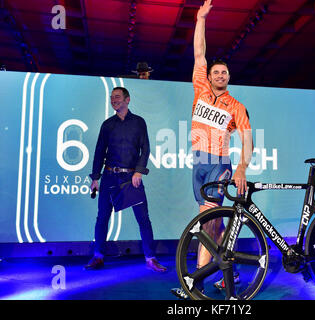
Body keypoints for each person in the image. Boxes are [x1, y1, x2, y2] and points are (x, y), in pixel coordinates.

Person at [171, 0, 253, 299]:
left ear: (228, 78)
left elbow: (247, 140)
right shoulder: (200, 89)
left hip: (219, 163)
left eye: (223, 73)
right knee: (213, 223)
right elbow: (199, 52)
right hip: (199, 163)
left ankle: (196, 282)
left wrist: (241, 166)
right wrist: (201, 18)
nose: (219, 75)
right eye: (215, 72)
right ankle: (227, 269)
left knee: (207, 223)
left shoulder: (236, 107)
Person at [85, 87, 167, 273]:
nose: (114, 100)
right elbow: (99, 151)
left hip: (131, 177)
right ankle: (98, 256)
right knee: (102, 218)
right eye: (112, 97)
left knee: (143, 219)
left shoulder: (139, 122)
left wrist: (138, 172)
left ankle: (151, 258)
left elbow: (145, 149)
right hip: (109, 176)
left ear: (127, 99)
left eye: (118, 97)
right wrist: (96, 177)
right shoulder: (107, 125)